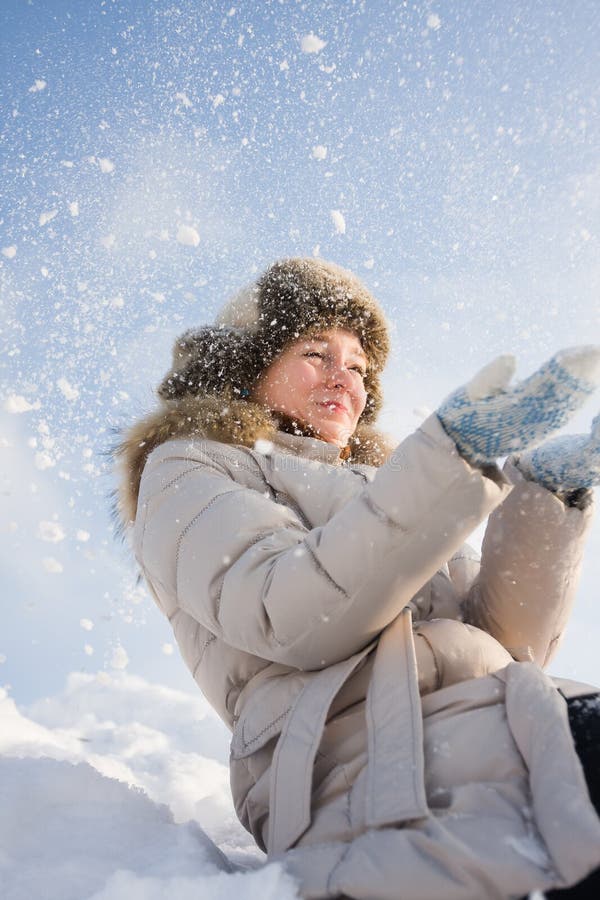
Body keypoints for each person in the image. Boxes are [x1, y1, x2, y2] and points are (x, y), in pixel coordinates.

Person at [116, 257, 600, 899]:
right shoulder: (190, 465)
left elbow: (509, 647)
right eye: (316, 351)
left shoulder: (393, 488)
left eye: (359, 366)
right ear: (246, 366)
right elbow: (289, 616)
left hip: (508, 711)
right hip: (354, 751)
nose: (343, 377)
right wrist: (446, 459)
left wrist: (547, 501)